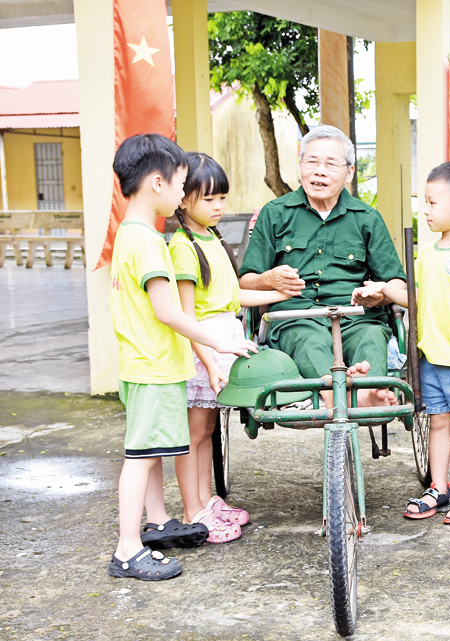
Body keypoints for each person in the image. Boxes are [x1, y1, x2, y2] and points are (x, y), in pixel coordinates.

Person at [107, 134, 255, 580]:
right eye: (180, 183)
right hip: (153, 366)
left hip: (140, 363)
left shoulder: (129, 236)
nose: (180, 194)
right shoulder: (151, 243)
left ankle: (157, 522)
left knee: (148, 451)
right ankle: (128, 548)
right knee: (140, 458)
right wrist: (218, 343)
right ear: (157, 182)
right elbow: (168, 310)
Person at [354, 161, 450, 524]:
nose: (425, 211)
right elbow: (414, 297)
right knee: (438, 423)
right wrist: (381, 289)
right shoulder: (428, 255)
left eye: (431, 203)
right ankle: (439, 485)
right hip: (430, 358)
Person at [238, 125, 407, 410]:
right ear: (301, 166)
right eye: (312, 162)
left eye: (330, 164)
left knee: (371, 337)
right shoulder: (275, 213)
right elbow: (246, 281)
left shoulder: (367, 218)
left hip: (357, 317)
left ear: (349, 173)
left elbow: (397, 284)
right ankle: (343, 400)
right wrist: (269, 278)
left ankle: (372, 392)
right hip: (297, 317)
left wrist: (381, 294)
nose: (319, 171)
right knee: (309, 340)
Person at [169, 152, 289, 543]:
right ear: (183, 199)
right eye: (209, 198)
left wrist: (278, 294)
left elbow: (232, 298)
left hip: (221, 345)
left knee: (207, 433)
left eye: (222, 197)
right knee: (195, 434)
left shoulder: (212, 238)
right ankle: (194, 510)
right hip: (203, 349)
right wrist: (210, 362)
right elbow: (188, 319)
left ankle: (207, 499)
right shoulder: (184, 247)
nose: (218, 206)